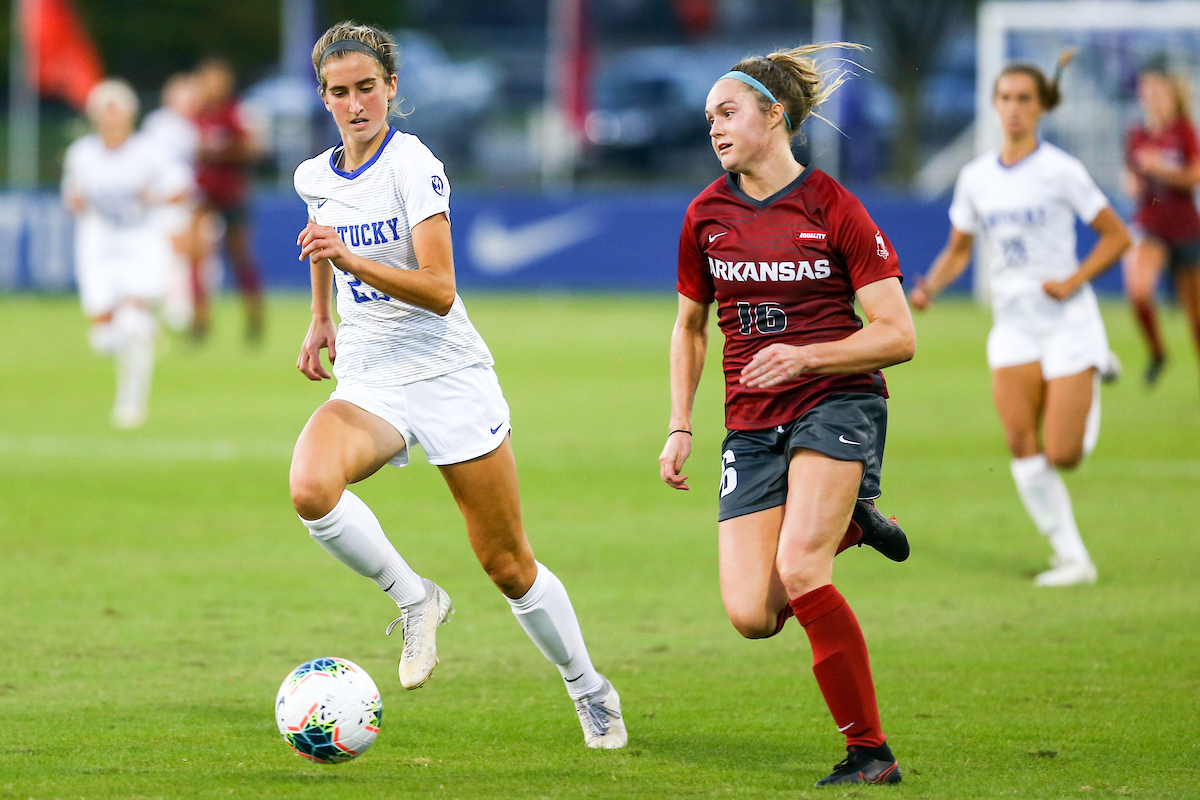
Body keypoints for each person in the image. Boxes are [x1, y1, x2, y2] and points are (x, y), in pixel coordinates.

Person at [288, 21, 626, 750]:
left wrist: (349, 262)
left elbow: (439, 289)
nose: (356, 105)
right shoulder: (313, 175)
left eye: (368, 89)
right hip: (372, 375)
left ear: (392, 89)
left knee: (506, 564)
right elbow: (322, 235)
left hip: (447, 376)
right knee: (310, 487)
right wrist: (321, 317)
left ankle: (587, 687)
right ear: (324, 97)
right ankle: (416, 600)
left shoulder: (414, 165)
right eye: (340, 93)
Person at [659, 44, 915, 787]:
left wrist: (806, 357)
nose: (716, 127)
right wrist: (681, 425)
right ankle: (854, 524)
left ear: (776, 116)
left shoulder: (832, 206)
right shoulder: (705, 214)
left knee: (800, 569)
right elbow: (689, 328)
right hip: (752, 422)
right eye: (709, 117)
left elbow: (898, 335)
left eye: (729, 111)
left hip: (837, 402)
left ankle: (871, 752)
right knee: (752, 613)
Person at [910, 54, 1131, 587]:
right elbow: (960, 250)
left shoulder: (1061, 170)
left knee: (1064, 454)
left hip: (1066, 320)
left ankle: (1095, 363)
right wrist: (930, 286)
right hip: (1013, 326)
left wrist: (1073, 281)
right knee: (1020, 444)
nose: (1012, 109)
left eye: (1023, 99)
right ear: (993, 105)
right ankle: (1072, 558)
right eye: (1004, 98)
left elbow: (1118, 236)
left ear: (1041, 107)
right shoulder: (976, 177)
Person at [62, 79, 191, 428]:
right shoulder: (82, 154)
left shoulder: (150, 152)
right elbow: (72, 198)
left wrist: (154, 197)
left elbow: (182, 191)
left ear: (130, 114)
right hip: (99, 248)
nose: (111, 118)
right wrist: (76, 201)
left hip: (142, 244)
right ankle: (147, 327)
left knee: (131, 323)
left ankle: (131, 404)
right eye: (105, 111)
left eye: (117, 110)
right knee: (103, 339)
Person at [1122, 60, 1200, 388]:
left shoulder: (1183, 131)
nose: (1151, 95)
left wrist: (1159, 170)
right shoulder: (1136, 134)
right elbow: (1133, 184)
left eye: (1158, 88)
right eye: (1146, 89)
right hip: (1151, 223)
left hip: (1185, 227)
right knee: (1139, 291)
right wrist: (1138, 183)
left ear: (1171, 92)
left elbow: (1194, 178)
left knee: (1196, 316)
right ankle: (1157, 351)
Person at [192, 57, 265, 343]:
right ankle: (199, 321)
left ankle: (254, 318)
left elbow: (253, 150)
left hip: (233, 195)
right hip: (204, 197)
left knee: (240, 259)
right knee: (197, 256)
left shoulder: (237, 112)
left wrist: (220, 152)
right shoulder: (197, 115)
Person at [142, 72, 202, 333]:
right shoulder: (158, 125)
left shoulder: (200, 124)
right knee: (167, 257)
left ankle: (192, 313)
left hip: (197, 201)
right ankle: (170, 310)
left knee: (199, 261)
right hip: (164, 203)